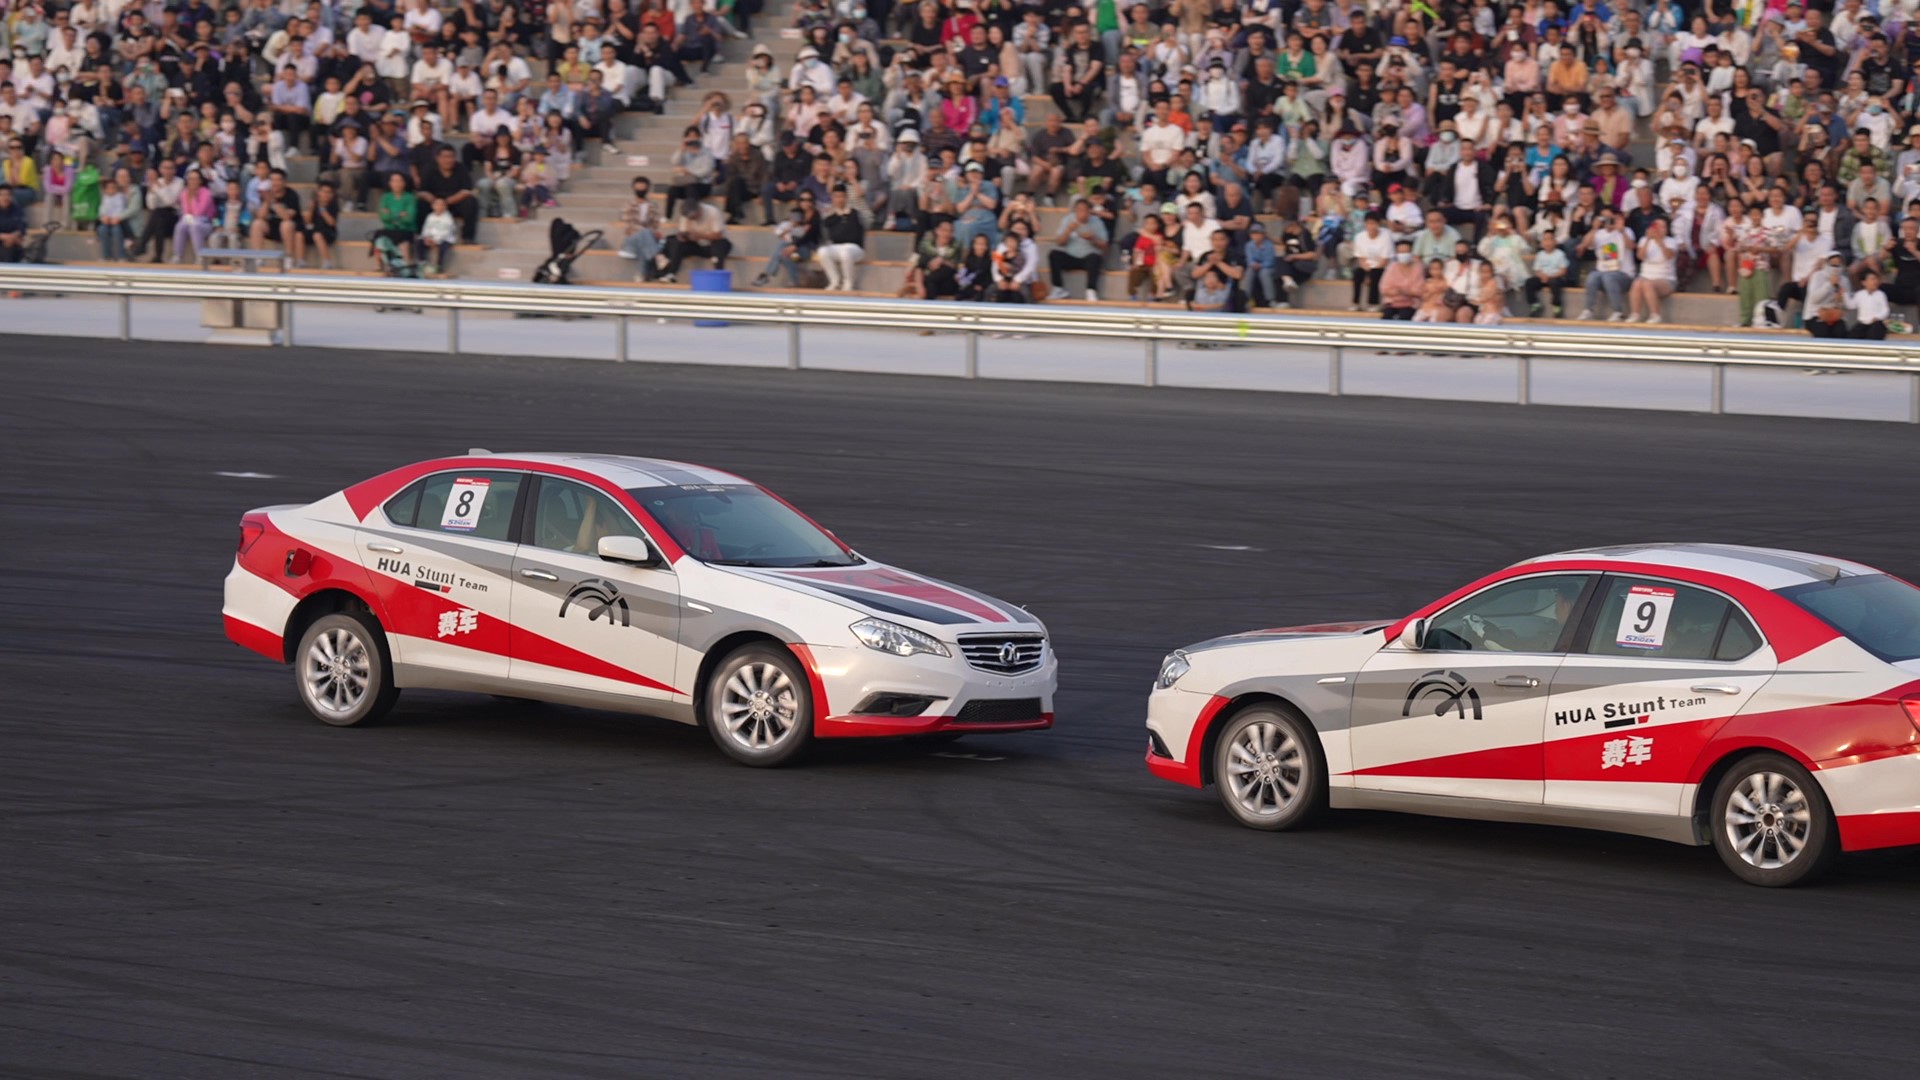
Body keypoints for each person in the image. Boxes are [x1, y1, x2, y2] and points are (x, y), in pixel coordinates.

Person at [1576, 211, 1637, 321]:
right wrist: (1594, 228)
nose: (1610, 221)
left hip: (1623, 274)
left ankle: (1618, 312)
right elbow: (1585, 245)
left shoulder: (1627, 231)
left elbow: (1631, 246)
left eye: (1613, 218)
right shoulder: (1599, 233)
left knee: (1609, 277)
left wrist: (1622, 231)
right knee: (1592, 277)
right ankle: (1588, 310)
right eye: (1607, 218)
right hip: (1602, 272)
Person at [1047, 198, 1108, 301]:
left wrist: (1093, 239)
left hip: (1088, 258)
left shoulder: (1097, 222)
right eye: (1079, 210)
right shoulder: (1068, 220)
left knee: (1095, 258)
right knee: (1054, 254)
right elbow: (1059, 242)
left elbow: (1104, 245)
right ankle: (1058, 288)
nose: (1082, 213)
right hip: (1070, 256)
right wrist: (1068, 230)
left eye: (1085, 210)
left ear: (1089, 211)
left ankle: (1091, 290)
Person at [663, 196, 735, 282]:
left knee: (719, 244)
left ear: (699, 209)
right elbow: (683, 231)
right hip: (696, 244)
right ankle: (671, 273)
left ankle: (718, 274)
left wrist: (699, 236)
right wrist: (684, 236)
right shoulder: (685, 217)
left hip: (713, 243)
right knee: (676, 243)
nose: (693, 219)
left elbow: (718, 235)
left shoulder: (712, 212)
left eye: (694, 216)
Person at [817, 184, 867, 291]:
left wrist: (846, 214)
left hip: (855, 248)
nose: (839, 199)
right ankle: (835, 281)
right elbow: (825, 231)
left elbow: (867, 223)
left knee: (846, 252)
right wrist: (835, 213)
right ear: (832, 198)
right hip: (837, 247)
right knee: (823, 251)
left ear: (846, 197)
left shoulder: (855, 213)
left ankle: (848, 283)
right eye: (836, 197)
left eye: (842, 196)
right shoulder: (830, 216)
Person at [1628, 219, 1678, 324]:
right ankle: (1635, 314)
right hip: (1645, 276)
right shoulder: (1644, 240)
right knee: (1636, 284)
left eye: (1662, 227)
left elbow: (1669, 256)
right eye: (1657, 226)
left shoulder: (1671, 241)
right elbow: (1640, 256)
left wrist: (1660, 241)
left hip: (1666, 279)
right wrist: (1648, 239)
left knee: (1647, 284)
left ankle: (1655, 315)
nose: (1659, 229)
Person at [1804, 251, 1852, 339]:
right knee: (1822, 332)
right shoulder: (1817, 276)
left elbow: (1848, 305)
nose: (1835, 267)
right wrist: (1829, 284)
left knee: (1841, 331)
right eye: (1833, 264)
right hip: (1816, 314)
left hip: (1836, 315)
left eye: (1838, 264)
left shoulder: (1844, 280)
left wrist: (1841, 299)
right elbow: (1814, 299)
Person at [1379, 240, 1423, 319]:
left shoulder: (1418, 267)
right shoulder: (1392, 267)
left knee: (1404, 316)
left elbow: (1419, 290)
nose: (1403, 255)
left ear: (1411, 253)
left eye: (1406, 252)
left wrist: (1405, 292)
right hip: (1392, 303)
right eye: (1401, 252)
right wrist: (1397, 291)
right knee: (1387, 316)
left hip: (1411, 304)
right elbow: (1384, 288)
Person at [420, 195, 458, 275]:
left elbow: (446, 232)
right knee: (419, 243)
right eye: (437, 204)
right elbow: (426, 229)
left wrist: (435, 241)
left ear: (445, 207)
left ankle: (439, 266)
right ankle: (422, 263)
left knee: (443, 247)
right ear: (433, 206)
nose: (439, 206)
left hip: (444, 239)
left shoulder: (448, 218)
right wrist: (427, 238)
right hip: (431, 239)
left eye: (441, 204)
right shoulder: (430, 216)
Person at [1848, 270, 1891, 339]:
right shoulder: (1859, 294)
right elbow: (1851, 305)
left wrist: (1877, 317)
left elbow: (1885, 310)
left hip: (1876, 323)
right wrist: (1844, 294)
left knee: (1875, 331)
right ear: (1864, 282)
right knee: (1852, 336)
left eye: (1876, 279)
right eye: (1872, 279)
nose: (1875, 282)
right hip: (1863, 323)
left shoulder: (1881, 294)